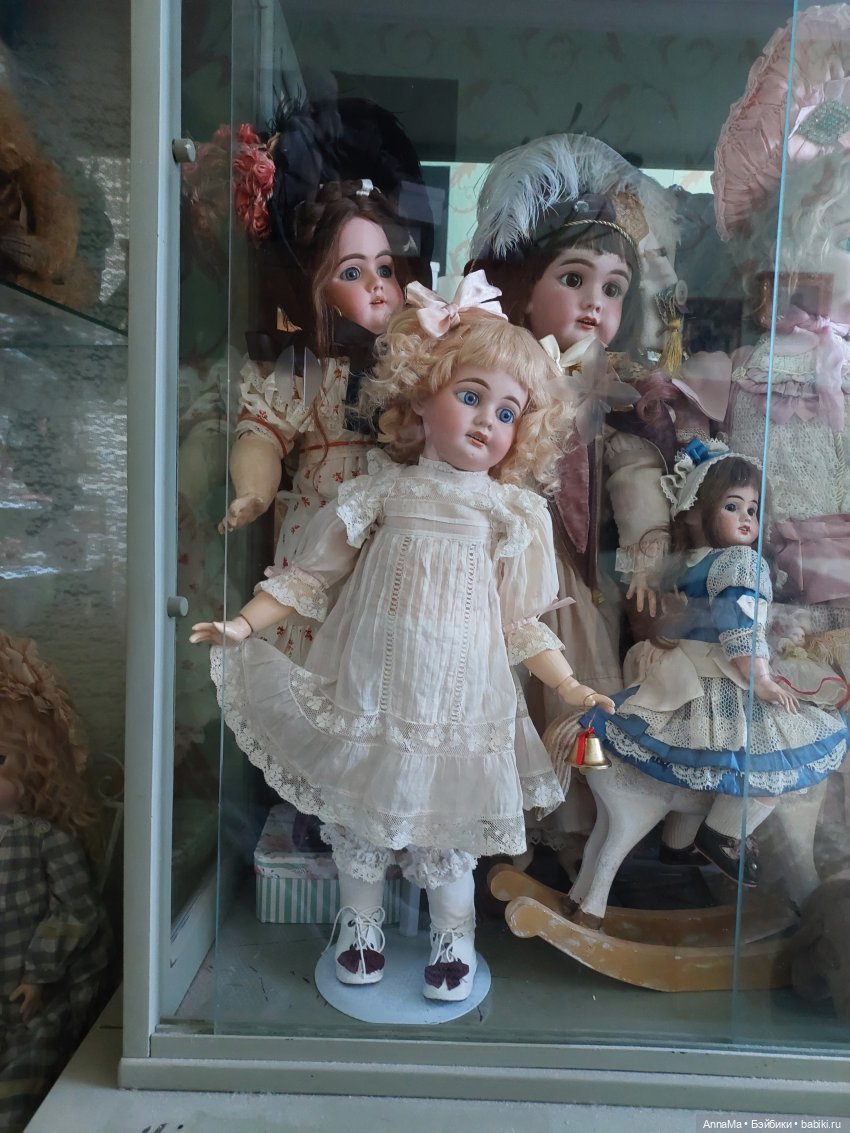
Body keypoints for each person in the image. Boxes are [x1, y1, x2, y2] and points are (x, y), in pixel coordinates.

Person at [191, 276, 614, 1002]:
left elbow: (521, 622)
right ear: (422, 396)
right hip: (371, 690)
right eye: (470, 396)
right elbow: (309, 575)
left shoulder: (510, 513)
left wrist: (568, 683)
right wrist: (244, 623)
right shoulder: (380, 490)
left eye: (507, 412)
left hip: (459, 703)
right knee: (359, 823)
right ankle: (360, 926)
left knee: (445, 836)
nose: (485, 422)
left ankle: (455, 935)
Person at [581, 440, 847, 885]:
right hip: (724, 676)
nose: (746, 519)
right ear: (694, 512)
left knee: (699, 768)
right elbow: (740, 624)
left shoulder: (689, 563)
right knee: (771, 769)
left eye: (752, 510)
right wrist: (762, 678)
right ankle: (722, 834)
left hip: (684, 674)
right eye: (732, 506)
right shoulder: (741, 561)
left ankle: (677, 843)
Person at [0, 633, 108, 1133]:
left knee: (24, 1069)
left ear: (37, 767)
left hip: (27, 988)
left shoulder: (43, 839)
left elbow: (77, 909)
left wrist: (40, 973)